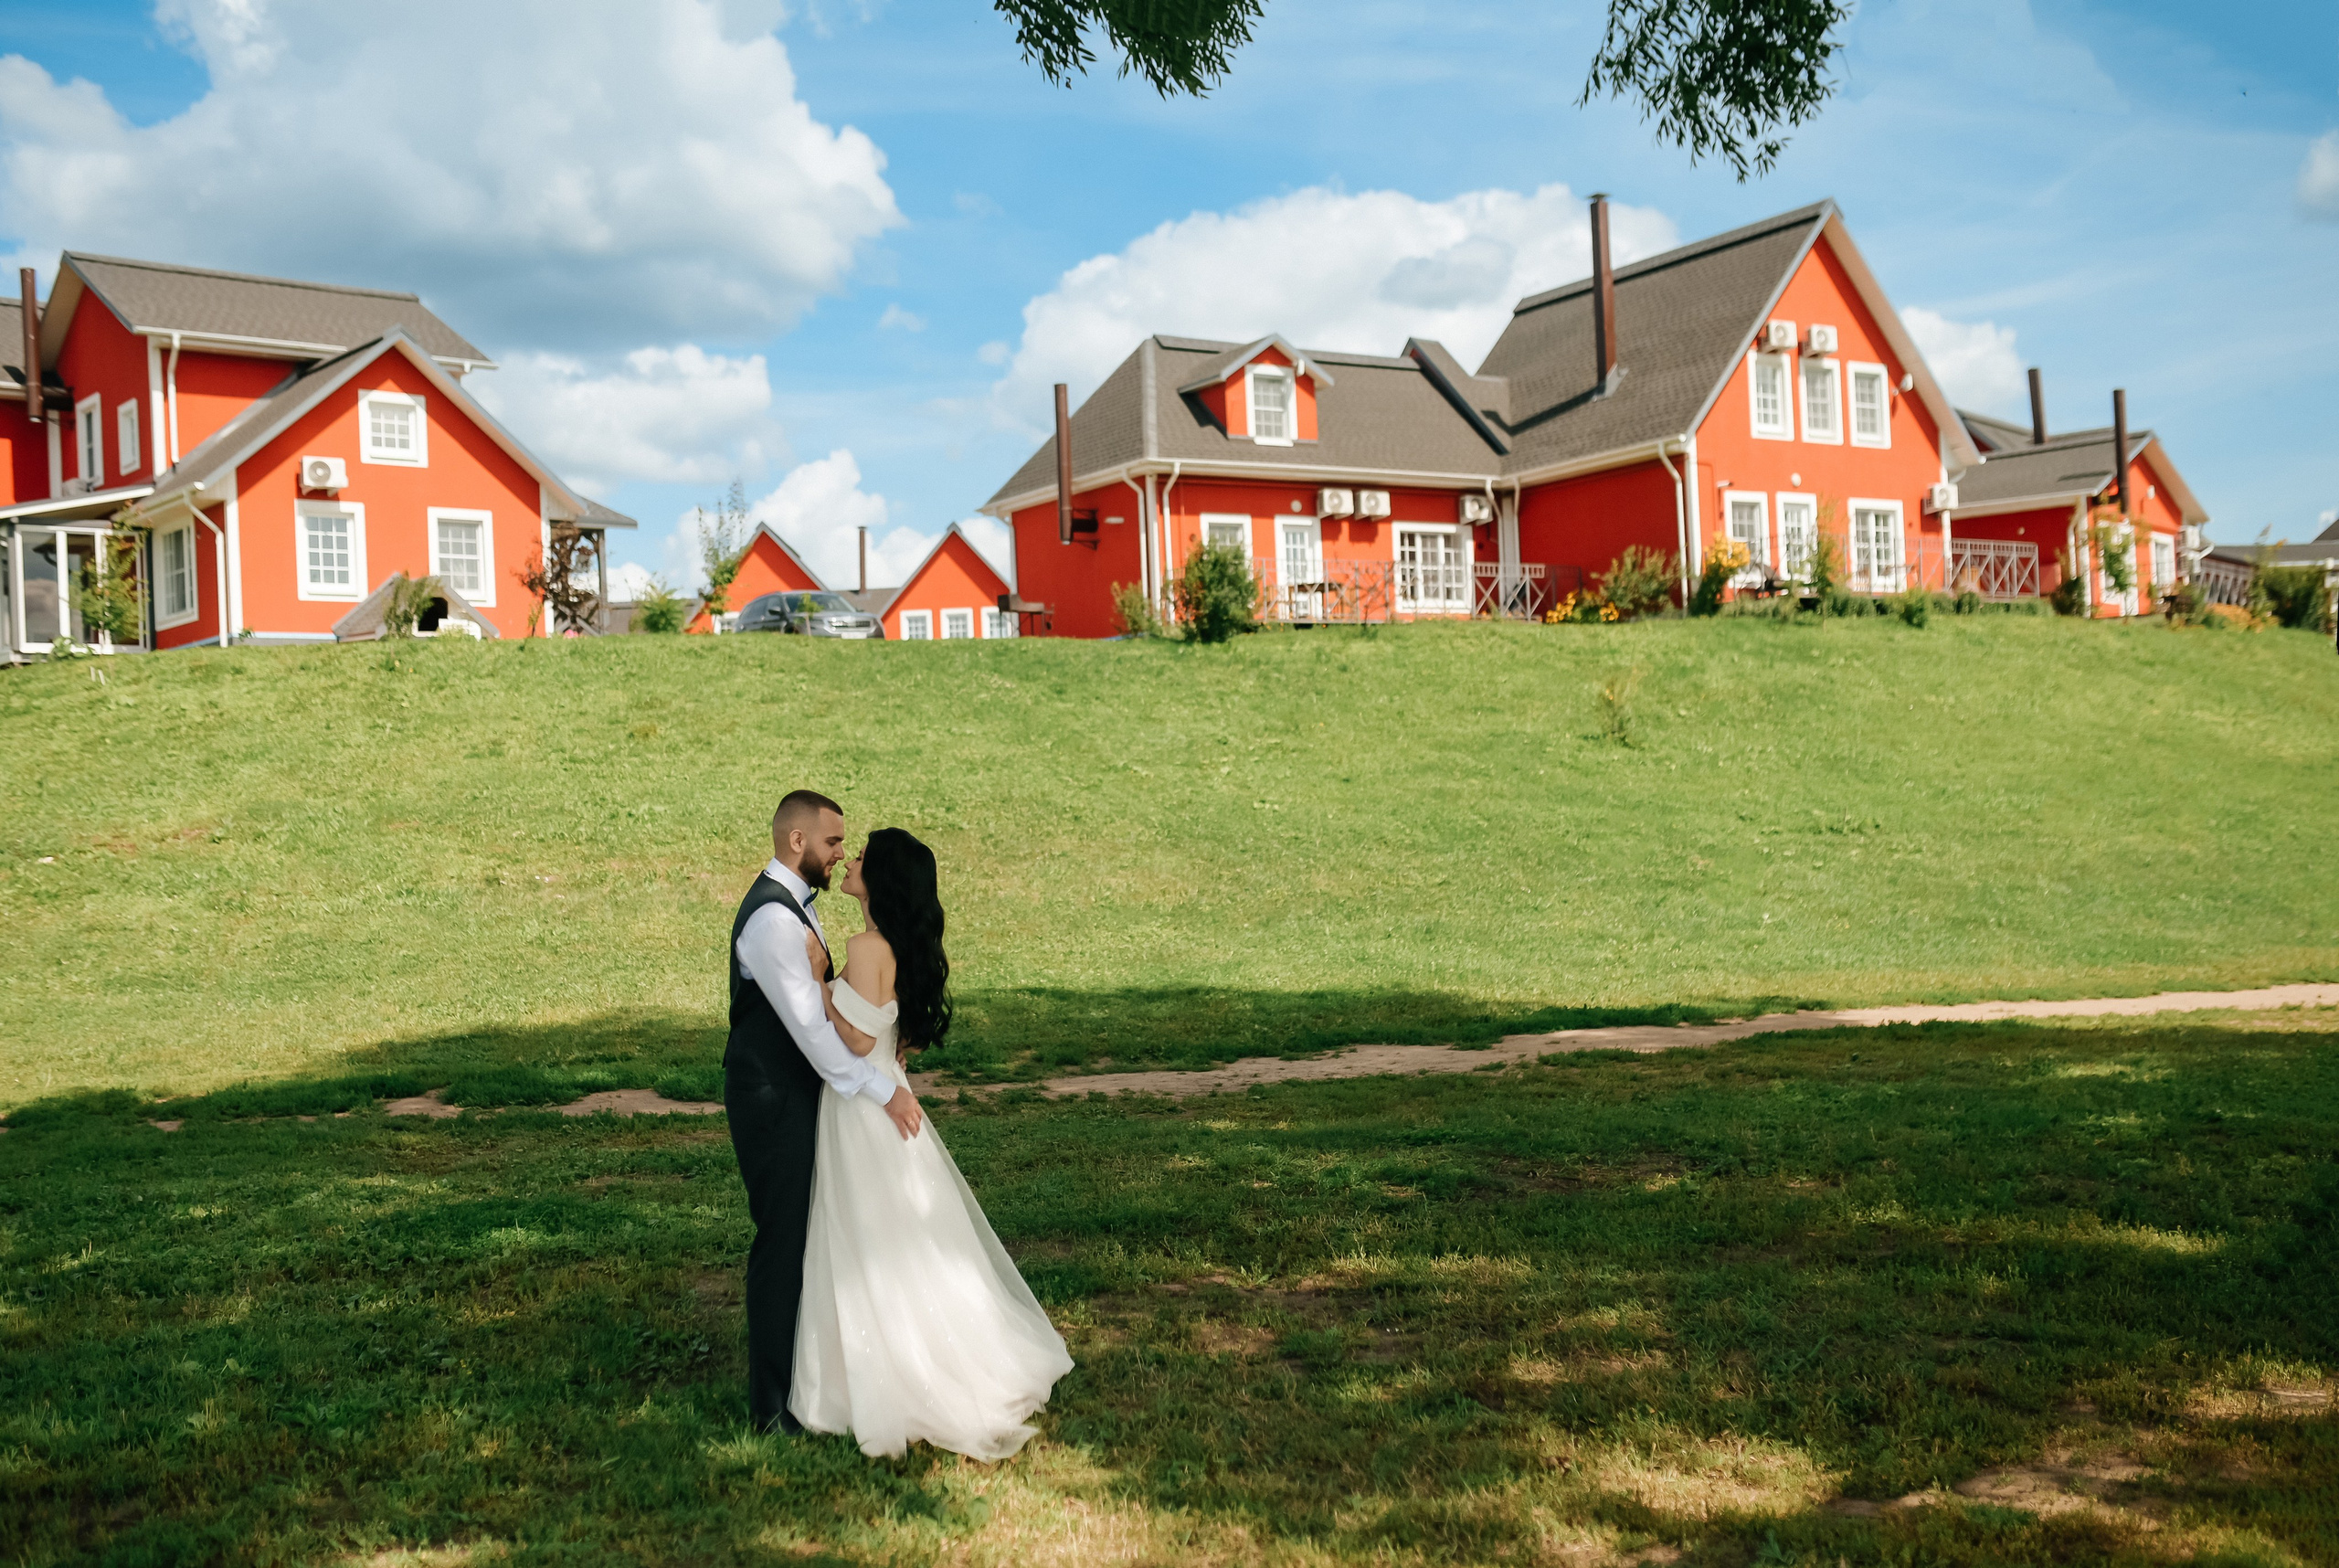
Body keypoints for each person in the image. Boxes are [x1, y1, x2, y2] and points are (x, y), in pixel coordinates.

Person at [789, 826, 1074, 1459]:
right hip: (889, 1094)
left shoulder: (867, 946)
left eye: (862, 856)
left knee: (868, 1234)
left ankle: (880, 1375)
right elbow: (895, 1038)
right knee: (904, 1234)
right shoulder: (901, 947)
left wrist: (816, 985)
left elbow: (858, 1043)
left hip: (864, 1105)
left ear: (881, 879)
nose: (851, 862)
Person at [724, 790, 924, 1436]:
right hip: (772, 1096)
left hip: (801, 1091)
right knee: (782, 1243)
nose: (842, 854)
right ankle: (771, 1408)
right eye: (834, 843)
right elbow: (816, 1035)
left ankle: (816, 1383)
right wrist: (882, 1089)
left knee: (810, 1236)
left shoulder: (797, 912)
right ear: (797, 843)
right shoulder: (774, 923)